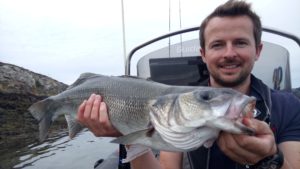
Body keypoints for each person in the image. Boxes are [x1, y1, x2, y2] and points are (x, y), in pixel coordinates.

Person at [77, 0, 300, 168]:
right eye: (218, 45)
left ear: (257, 50)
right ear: (203, 54)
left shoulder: (289, 107)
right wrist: (131, 137)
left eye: (240, 43)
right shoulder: (179, 107)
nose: (229, 53)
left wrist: (270, 161)